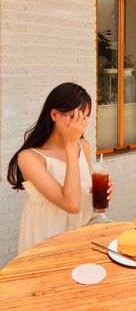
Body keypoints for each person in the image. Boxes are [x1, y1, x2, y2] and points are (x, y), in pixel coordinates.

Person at [7, 82, 112, 253]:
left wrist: (98, 192)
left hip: (82, 230)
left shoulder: (83, 146)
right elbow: (71, 204)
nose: (79, 124)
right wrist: (70, 144)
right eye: (73, 117)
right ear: (54, 114)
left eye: (84, 117)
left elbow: (82, 198)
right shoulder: (29, 158)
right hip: (47, 237)